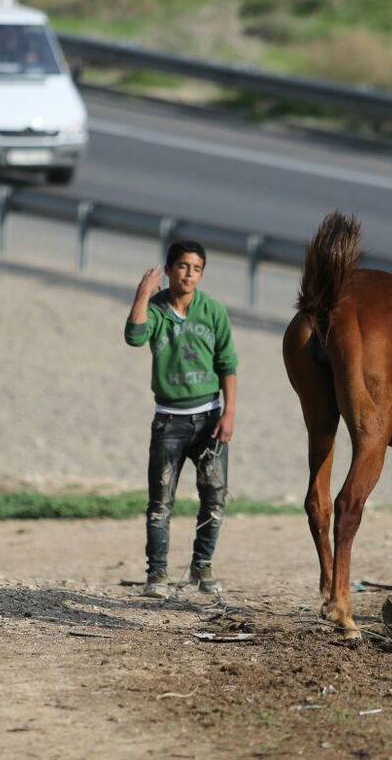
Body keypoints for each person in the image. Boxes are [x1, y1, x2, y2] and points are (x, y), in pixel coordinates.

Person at [124, 240, 238, 599]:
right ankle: (156, 575)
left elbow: (227, 364)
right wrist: (143, 294)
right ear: (170, 269)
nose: (189, 274)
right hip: (168, 421)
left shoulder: (213, 311)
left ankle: (202, 565)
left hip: (209, 419)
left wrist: (229, 413)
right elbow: (133, 336)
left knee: (214, 497)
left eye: (197, 268)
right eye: (183, 266)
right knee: (160, 502)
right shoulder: (156, 310)